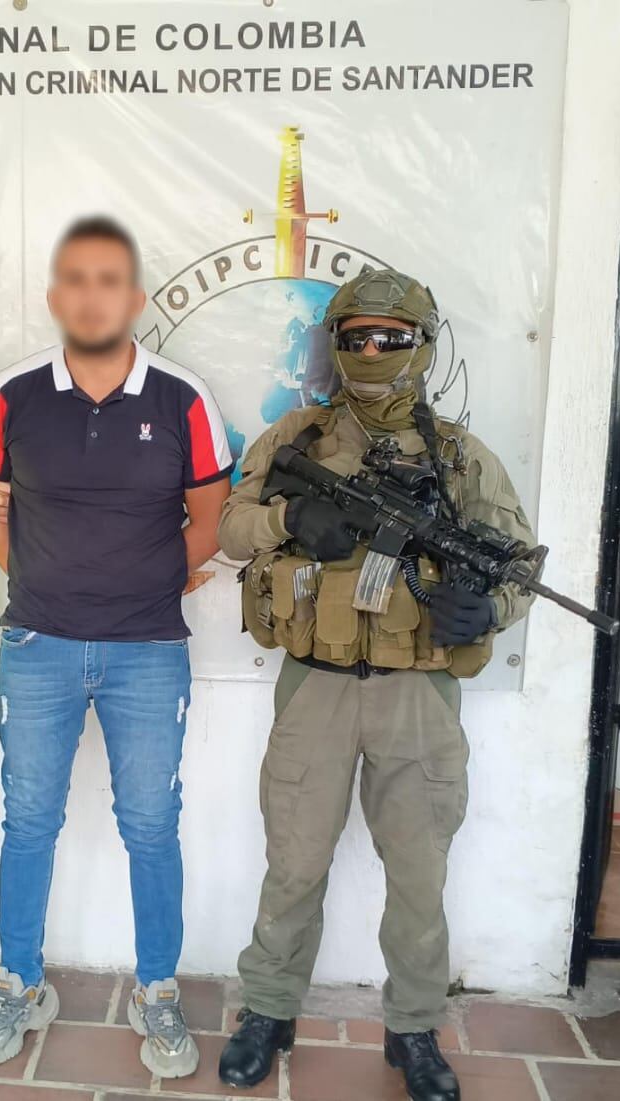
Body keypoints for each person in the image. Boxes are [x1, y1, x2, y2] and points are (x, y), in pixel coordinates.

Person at [215, 269, 536, 1101]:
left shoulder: (462, 457)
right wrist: (293, 519)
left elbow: (522, 569)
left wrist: (488, 608)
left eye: (392, 337)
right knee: (293, 862)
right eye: (356, 336)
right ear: (337, 343)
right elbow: (228, 528)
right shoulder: (299, 436)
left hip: (417, 695)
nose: (372, 351)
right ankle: (270, 1009)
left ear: (423, 346)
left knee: (418, 872)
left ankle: (415, 1027)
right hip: (314, 688)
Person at [0, 217, 233, 1079]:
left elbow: (210, 519)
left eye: (108, 280)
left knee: (151, 824)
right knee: (28, 819)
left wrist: (145, 586)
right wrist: (46, 584)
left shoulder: (182, 399)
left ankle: (157, 988)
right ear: (55, 298)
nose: (91, 295)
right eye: (74, 280)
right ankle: (19, 980)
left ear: (136, 298)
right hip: (37, 643)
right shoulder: (13, 395)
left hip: (148, 651)